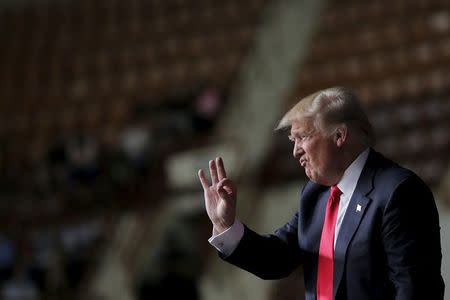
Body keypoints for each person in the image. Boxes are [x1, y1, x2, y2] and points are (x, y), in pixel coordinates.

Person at [197, 87, 445, 300]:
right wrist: (225, 224)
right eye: (292, 140)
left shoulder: (399, 192)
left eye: (302, 137)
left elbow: (416, 291)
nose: (295, 152)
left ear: (339, 136)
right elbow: (277, 259)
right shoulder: (315, 195)